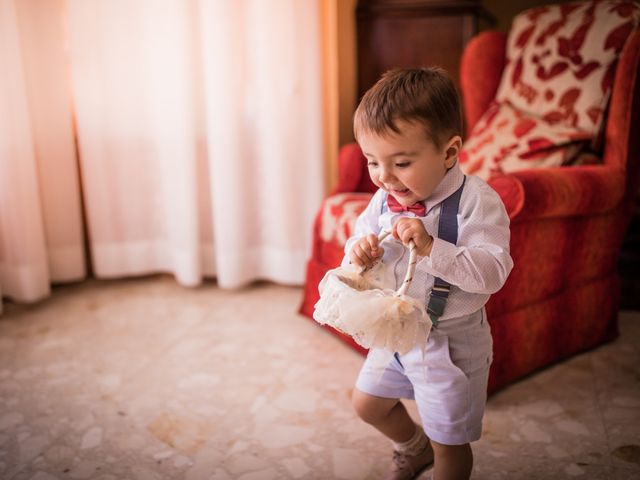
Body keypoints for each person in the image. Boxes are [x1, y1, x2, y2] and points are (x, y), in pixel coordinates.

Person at [343, 67, 513, 480]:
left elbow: (493, 273)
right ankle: (413, 447)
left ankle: (434, 452)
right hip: (396, 328)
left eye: (400, 162)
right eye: (372, 162)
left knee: (449, 443)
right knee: (367, 404)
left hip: (452, 341)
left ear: (449, 152)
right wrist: (359, 252)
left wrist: (432, 247)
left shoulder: (478, 202)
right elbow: (359, 238)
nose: (383, 177)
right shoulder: (385, 198)